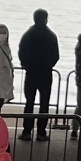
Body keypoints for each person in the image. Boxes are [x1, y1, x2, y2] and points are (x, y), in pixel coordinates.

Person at [17, 9, 59, 140]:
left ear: (34, 19)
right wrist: (48, 65)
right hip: (46, 73)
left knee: (29, 102)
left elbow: (21, 51)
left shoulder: (28, 34)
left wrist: (25, 64)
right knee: (44, 104)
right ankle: (41, 132)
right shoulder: (51, 36)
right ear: (46, 19)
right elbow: (56, 56)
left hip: (31, 72)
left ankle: (27, 131)